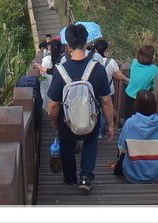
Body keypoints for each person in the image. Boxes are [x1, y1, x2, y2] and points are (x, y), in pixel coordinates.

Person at [48, 24, 115, 193]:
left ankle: (70, 178)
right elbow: (106, 101)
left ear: (67, 46)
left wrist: (54, 121)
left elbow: (53, 104)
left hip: (67, 120)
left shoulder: (60, 70)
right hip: (91, 119)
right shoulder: (97, 69)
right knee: (90, 142)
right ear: (86, 44)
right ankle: (85, 177)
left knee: (67, 144)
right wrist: (110, 124)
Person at [116, 90, 158, 184]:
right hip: (155, 174)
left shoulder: (130, 123)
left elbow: (122, 148)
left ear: (137, 105)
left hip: (132, 175)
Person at [93, 39, 130, 139]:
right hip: (108, 91)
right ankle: (102, 133)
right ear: (106, 50)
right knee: (106, 112)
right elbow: (119, 75)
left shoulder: (92, 61)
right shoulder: (111, 62)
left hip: (95, 92)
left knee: (95, 111)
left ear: (95, 49)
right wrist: (128, 80)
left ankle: (94, 131)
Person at [123, 45, 158, 122]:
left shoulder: (135, 62)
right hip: (142, 98)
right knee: (139, 121)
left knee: (128, 117)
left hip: (129, 93)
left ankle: (125, 131)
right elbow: (155, 85)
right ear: (150, 56)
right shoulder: (154, 69)